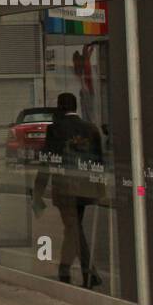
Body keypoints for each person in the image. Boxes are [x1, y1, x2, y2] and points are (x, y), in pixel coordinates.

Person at [33, 92, 104, 289]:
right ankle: (69, 271)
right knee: (74, 227)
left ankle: (86, 272)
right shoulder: (91, 129)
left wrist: (38, 190)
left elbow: (48, 161)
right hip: (87, 187)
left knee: (73, 228)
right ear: (76, 107)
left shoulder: (56, 129)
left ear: (60, 107)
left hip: (65, 188)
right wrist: (100, 187)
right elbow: (99, 161)